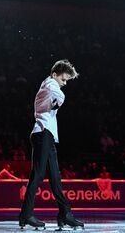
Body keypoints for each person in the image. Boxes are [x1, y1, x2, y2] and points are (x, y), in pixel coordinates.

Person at [19, 60, 84, 230]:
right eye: (63, 80)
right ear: (54, 75)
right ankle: (26, 214)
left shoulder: (49, 87)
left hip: (47, 136)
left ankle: (65, 214)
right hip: (42, 134)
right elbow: (59, 95)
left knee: (55, 178)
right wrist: (60, 99)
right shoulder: (49, 85)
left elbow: (57, 96)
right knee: (38, 175)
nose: (64, 84)